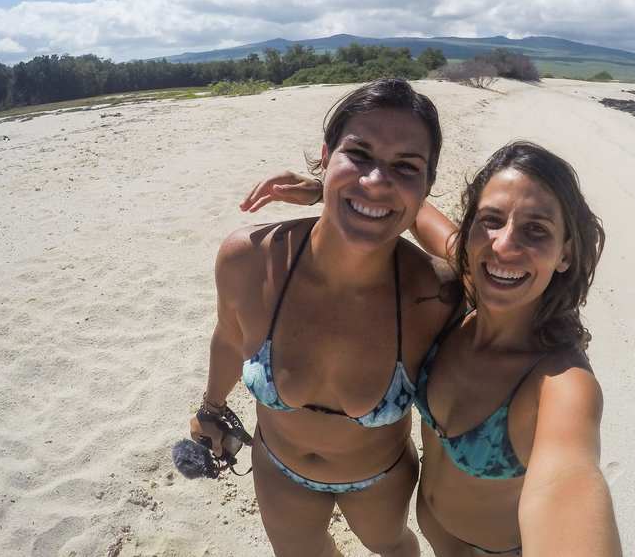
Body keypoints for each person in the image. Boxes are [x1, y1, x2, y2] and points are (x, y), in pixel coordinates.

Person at [247, 140, 622, 556]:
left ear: (566, 252)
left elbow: (569, 482)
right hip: (435, 538)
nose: (503, 246)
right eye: (491, 220)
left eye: (536, 230)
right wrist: (329, 190)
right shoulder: (468, 290)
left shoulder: (561, 384)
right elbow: (416, 213)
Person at [190, 78, 456, 557]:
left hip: (380, 478)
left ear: (427, 188)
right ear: (326, 154)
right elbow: (229, 341)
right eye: (358, 155)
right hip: (277, 467)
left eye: (405, 167)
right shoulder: (250, 259)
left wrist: (340, 193)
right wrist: (210, 408)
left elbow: (481, 257)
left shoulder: (436, 294)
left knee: (393, 546)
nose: (377, 178)